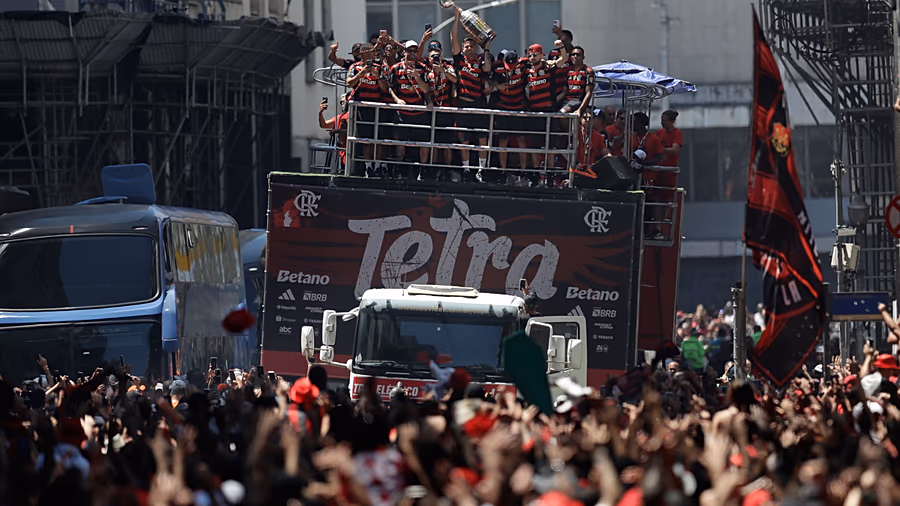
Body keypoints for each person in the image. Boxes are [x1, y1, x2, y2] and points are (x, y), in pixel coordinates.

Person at [451, 7, 494, 177]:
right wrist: (456, 20)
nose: (469, 48)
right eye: (467, 46)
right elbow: (453, 38)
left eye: (472, 46)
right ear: (463, 48)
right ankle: (467, 170)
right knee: (465, 140)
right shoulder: (459, 60)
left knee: (483, 139)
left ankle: (482, 171)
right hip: (463, 105)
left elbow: (488, 68)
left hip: (479, 104)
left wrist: (486, 49)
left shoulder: (479, 60)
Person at [524, 41, 567, 185]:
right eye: (530, 55)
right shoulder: (526, 70)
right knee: (534, 146)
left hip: (549, 111)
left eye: (535, 55)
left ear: (541, 55)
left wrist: (561, 46)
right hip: (534, 113)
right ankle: (537, 176)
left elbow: (564, 59)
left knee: (551, 146)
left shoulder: (549, 67)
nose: (532, 58)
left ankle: (549, 175)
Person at [388, 40, 432, 177]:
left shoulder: (423, 68)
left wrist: (417, 77)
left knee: (424, 143)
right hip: (402, 113)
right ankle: (399, 170)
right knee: (401, 144)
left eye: (414, 51)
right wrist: (397, 100)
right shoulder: (395, 68)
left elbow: (426, 89)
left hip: (420, 112)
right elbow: (390, 87)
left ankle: (423, 171)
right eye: (409, 51)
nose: (412, 54)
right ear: (404, 52)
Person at [346, 43, 390, 177]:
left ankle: (377, 166)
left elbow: (385, 88)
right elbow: (349, 83)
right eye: (371, 51)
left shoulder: (379, 67)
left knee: (378, 139)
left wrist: (378, 77)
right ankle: (368, 167)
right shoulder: (354, 67)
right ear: (364, 52)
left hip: (377, 108)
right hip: (362, 108)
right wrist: (361, 73)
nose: (374, 54)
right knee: (365, 139)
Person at [490, 49, 529, 181]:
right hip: (503, 108)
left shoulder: (523, 63)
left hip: (519, 108)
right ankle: (503, 172)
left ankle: (524, 172)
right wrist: (497, 85)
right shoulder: (496, 66)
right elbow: (486, 77)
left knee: (522, 140)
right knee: (503, 140)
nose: (510, 69)